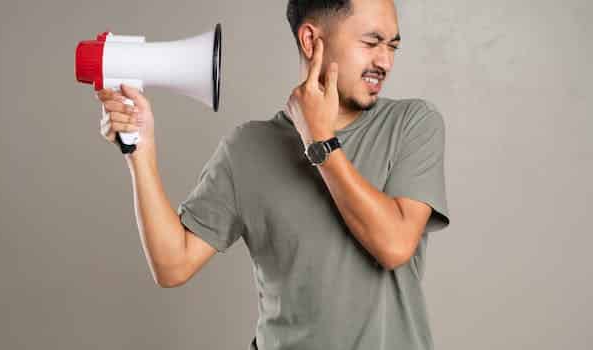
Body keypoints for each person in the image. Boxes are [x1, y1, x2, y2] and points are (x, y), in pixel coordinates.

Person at [93, 0, 450, 349]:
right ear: (311, 40)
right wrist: (139, 152)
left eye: (392, 46)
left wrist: (319, 141)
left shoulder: (412, 124)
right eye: (371, 43)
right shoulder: (249, 147)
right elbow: (172, 265)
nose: (385, 61)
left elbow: (394, 245)